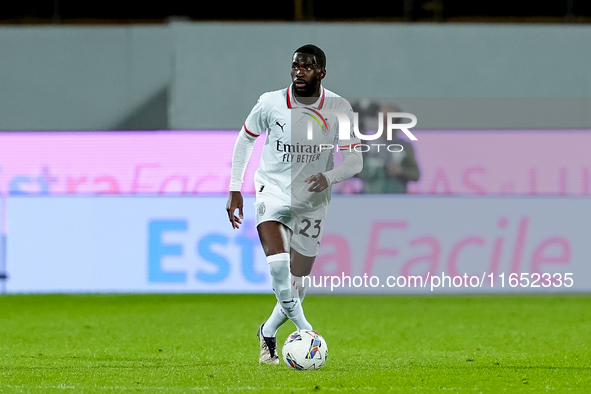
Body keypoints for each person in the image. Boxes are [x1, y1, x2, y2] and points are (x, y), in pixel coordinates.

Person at [225, 44, 363, 364]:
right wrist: (235, 188)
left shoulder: (339, 108)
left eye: (308, 67)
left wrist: (329, 176)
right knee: (277, 267)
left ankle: (268, 331)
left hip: (312, 202)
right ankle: (308, 331)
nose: (300, 71)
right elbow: (246, 138)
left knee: (298, 284)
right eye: (296, 66)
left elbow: (355, 160)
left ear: (322, 73)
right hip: (271, 191)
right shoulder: (270, 102)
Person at [355, 105, 420, 193]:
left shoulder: (405, 146)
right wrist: (371, 169)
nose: (385, 123)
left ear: (397, 122)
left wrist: (401, 171)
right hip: (370, 197)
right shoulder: (366, 145)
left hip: (396, 197)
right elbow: (353, 172)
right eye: (382, 119)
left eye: (389, 119)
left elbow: (416, 174)